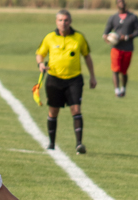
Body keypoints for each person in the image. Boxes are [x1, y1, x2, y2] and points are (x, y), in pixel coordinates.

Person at [36, 9, 96, 154]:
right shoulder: (50, 37)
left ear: (70, 21)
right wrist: (41, 64)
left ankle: (79, 144)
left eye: (66, 20)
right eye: (60, 20)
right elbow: (40, 53)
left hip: (74, 79)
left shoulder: (79, 38)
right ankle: (51, 143)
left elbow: (87, 56)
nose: (63, 23)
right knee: (53, 111)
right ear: (56, 22)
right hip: (54, 79)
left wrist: (92, 76)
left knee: (76, 109)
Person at [103, 0, 138, 98]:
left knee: (123, 71)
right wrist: (106, 37)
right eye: (119, 2)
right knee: (115, 69)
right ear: (117, 5)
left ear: (125, 4)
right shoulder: (113, 18)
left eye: (123, 2)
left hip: (128, 48)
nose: (121, 4)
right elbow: (106, 32)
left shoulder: (132, 17)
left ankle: (123, 88)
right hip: (116, 48)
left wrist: (128, 36)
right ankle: (117, 91)